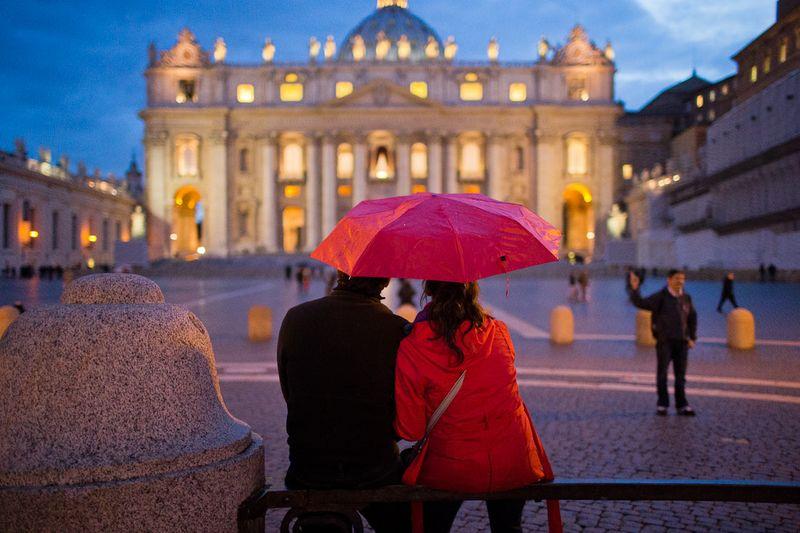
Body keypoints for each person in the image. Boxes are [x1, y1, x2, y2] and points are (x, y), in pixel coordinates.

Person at [395, 280, 559, 533]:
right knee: (508, 527)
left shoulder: (414, 345)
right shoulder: (499, 331)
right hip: (513, 459)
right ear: (473, 290)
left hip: (451, 465)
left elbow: (411, 430)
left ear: (429, 291)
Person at [277, 272, 411, 532]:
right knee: (402, 522)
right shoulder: (396, 329)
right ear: (384, 282)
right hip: (374, 468)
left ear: (339, 274)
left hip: (308, 467)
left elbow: (289, 393)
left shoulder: (296, 318)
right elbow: (401, 406)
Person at [628, 269, 698, 416]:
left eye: (683, 279)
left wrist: (692, 337)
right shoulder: (660, 297)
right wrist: (635, 289)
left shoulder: (686, 298)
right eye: (677, 278)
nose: (681, 282)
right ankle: (662, 404)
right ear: (669, 280)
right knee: (662, 374)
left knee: (681, 375)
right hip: (665, 342)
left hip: (682, 342)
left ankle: (682, 404)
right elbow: (641, 303)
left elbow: (692, 317)